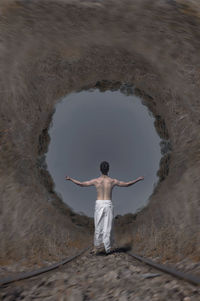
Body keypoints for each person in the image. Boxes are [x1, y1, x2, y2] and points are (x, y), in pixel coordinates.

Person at [65, 161, 144, 255]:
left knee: (98, 226)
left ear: (100, 169)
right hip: (108, 204)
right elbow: (127, 184)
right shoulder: (112, 181)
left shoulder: (96, 181)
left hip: (99, 204)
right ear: (108, 169)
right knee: (108, 226)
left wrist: (71, 179)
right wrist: (138, 179)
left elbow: (82, 184)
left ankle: (96, 248)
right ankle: (107, 248)